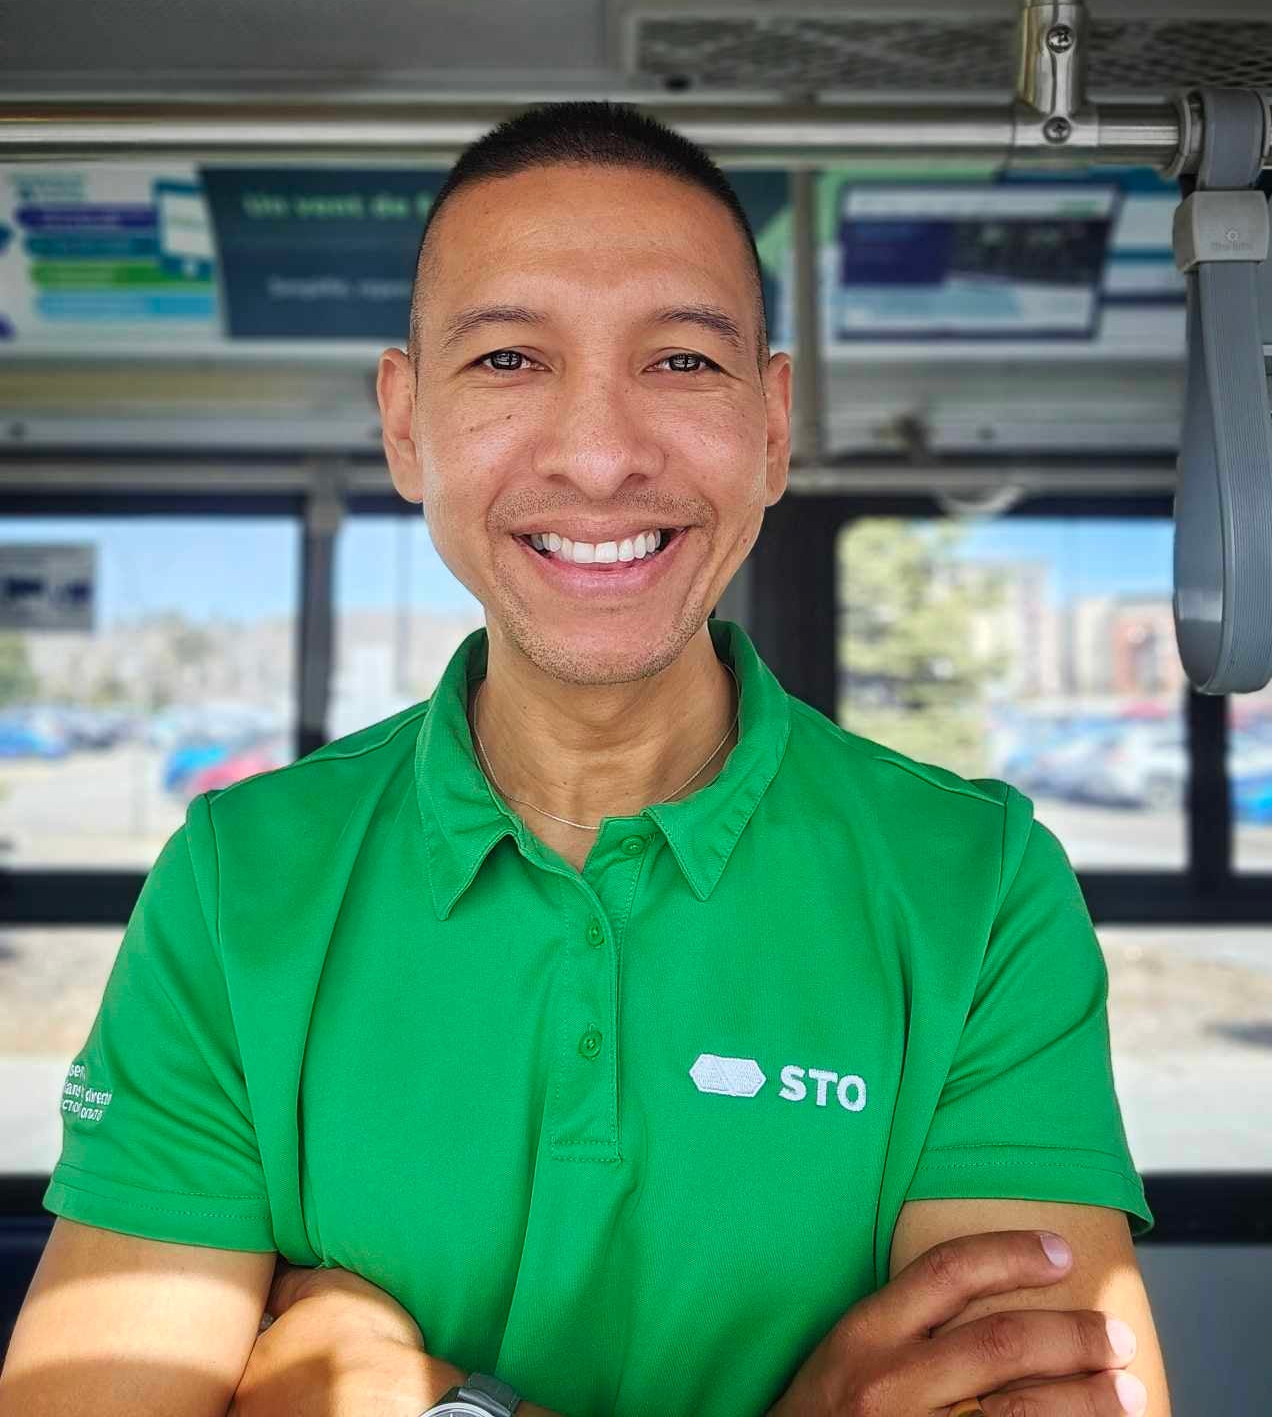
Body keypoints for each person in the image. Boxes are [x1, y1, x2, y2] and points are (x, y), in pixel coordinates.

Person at [0, 102, 1169, 1417]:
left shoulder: (977, 886)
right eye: (509, 359)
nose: (602, 458)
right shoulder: (237, 883)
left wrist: (443, 1408)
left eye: (682, 361)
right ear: (406, 424)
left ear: (772, 426)